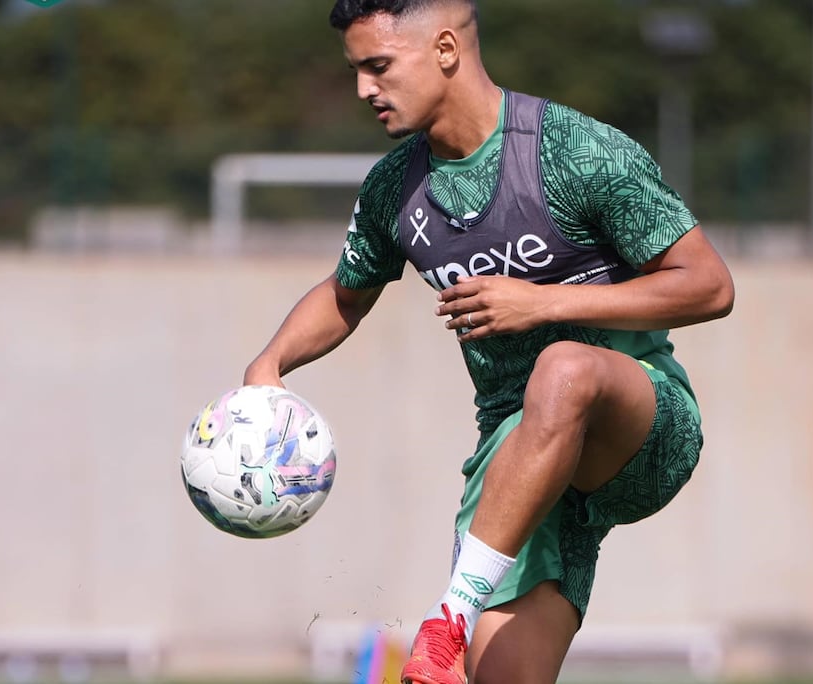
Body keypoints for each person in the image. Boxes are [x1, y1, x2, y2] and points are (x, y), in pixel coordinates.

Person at [243, 0, 735, 681]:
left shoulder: (575, 151)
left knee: (564, 369)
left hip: (640, 430)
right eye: (356, 70)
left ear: (445, 49)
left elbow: (709, 285)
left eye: (378, 66)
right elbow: (346, 294)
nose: (363, 89)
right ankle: (460, 621)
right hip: (517, 463)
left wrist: (542, 302)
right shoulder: (395, 190)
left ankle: (451, 613)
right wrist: (267, 366)